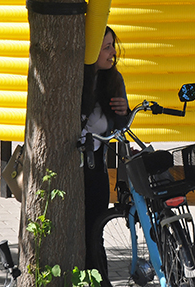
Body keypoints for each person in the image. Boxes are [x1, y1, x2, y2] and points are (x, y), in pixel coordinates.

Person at [81, 26, 129, 274]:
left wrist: (124, 113)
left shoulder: (114, 79)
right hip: (72, 166)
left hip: (96, 167)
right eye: (106, 47)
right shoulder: (77, 78)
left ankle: (98, 278)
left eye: (112, 45)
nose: (112, 53)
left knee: (95, 229)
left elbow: (121, 128)